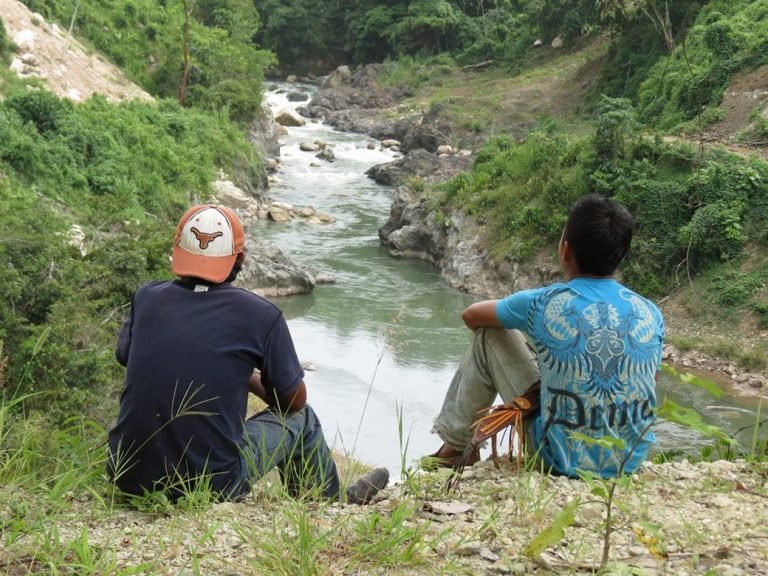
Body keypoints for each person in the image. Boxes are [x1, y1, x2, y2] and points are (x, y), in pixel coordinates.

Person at [108, 204, 389, 502]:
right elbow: (295, 401)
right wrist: (249, 377)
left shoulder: (145, 297)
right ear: (239, 259)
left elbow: (126, 356)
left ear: (178, 251)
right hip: (211, 485)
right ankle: (328, 504)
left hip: (126, 474)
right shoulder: (260, 315)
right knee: (302, 419)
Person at [429, 194, 665, 477]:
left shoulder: (542, 304)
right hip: (627, 460)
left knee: (489, 334)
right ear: (621, 256)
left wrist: (541, 348)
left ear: (565, 250)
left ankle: (454, 449)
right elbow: (650, 381)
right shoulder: (649, 312)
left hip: (557, 458)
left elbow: (472, 315)